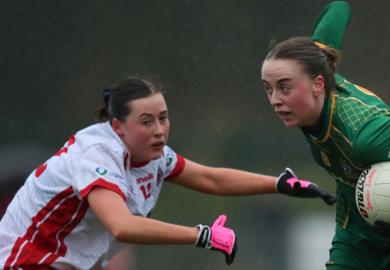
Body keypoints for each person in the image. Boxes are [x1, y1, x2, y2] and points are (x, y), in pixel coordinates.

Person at [0, 77, 336, 270]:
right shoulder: (95, 154)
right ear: (117, 126)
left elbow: (211, 178)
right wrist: (200, 235)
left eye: (163, 117)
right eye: (146, 121)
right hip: (23, 262)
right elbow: (123, 225)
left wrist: (279, 184)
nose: (160, 129)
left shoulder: (152, 154)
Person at [260, 1, 390, 270]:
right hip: (360, 234)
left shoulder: (365, 137)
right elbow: (339, 8)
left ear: (318, 85)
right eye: (268, 89)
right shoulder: (315, 63)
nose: (275, 100)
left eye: (284, 87)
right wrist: (319, 46)